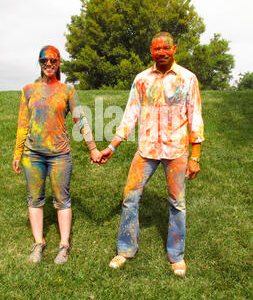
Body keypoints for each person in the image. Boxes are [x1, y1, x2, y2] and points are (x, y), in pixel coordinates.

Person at [98, 32, 204, 276]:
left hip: (177, 150)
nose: (162, 52)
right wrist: (112, 146)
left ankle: (176, 256)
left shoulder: (188, 79)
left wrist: (195, 156)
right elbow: (129, 116)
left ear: (174, 49)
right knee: (130, 197)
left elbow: (195, 116)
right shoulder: (141, 79)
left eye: (166, 48)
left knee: (177, 203)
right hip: (146, 150)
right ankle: (125, 250)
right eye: (157, 48)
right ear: (151, 50)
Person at [12, 45, 100, 264]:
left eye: (52, 60)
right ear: (40, 63)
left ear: (59, 62)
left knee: (62, 200)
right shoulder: (28, 90)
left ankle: (63, 245)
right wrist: (17, 153)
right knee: (34, 199)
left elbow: (80, 119)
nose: (48, 64)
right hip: (32, 155)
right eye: (44, 61)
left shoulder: (67, 91)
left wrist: (93, 148)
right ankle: (39, 242)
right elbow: (23, 123)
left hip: (60, 155)